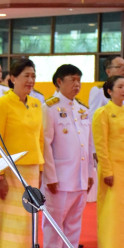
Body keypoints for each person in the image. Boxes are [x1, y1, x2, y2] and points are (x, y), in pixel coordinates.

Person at [0, 58, 44, 247]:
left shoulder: (37, 104)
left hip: (33, 169)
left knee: (30, 218)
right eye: (26, 76)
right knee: (12, 221)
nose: (30, 80)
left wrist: (41, 169)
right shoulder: (1, 104)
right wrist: (0, 176)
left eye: (33, 76)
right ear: (13, 78)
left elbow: (40, 138)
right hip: (11, 171)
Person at [42, 64, 94, 248]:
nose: (77, 84)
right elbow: (45, 144)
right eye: (72, 79)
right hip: (59, 180)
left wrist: (89, 174)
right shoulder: (49, 108)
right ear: (59, 81)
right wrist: (50, 177)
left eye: (79, 80)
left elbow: (87, 146)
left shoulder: (82, 110)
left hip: (79, 179)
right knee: (54, 227)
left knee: (73, 226)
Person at [92, 75, 124, 248]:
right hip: (112, 169)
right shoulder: (103, 113)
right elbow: (101, 145)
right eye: (120, 87)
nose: (123, 90)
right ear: (109, 91)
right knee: (112, 211)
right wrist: (107, 171)